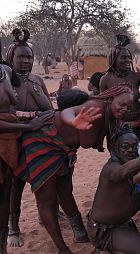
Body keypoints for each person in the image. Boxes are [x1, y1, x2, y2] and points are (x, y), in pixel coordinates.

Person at [13, 86, 134, 253]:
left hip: (63, 150)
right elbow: (67, 112)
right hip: (43, 141)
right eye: (122, 104)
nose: (125, 109)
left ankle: (79, 232)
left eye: (128, 107)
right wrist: (73, 121)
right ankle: (61, 248)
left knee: (65, 190)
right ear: (111, 99)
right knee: (47, 199)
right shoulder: (96, 107)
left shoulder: (112, 117)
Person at [5, 28, 54, 249]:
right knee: (15, 185)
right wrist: (30, 119)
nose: (26, 61)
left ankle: (44, 215)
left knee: (42, 179)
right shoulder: (4, 79)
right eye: (21, 57)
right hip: (12, 138)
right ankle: (13, 227)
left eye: (29, 57)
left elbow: (48, 109)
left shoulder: (36, 79)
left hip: (38, 139)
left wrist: (35, 92)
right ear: (11, 58)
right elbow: (7, 112)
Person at [87, 126, 140, 254]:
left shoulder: (128, 162)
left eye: (134, 147)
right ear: (115, 147)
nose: (130, 150)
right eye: (125, 146)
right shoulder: (112, 168)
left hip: (121, 222)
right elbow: (123, 172)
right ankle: (103, 250)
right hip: (104, 230)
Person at [99, 34, 140, 136]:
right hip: (116, 129)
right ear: (113, 59)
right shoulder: (105, 80)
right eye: (123, 57)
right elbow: (104, 109)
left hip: (138, 127)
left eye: (129, 58)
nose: (128, 60)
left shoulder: (136, 77)